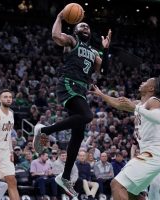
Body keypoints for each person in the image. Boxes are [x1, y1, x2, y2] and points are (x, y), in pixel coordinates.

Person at [33, 7, 112, 198]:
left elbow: (104, 72)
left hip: (81, 90)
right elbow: (55, 35)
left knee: (78, 136)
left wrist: (106, 48)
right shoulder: (72, 41)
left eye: (88, 27)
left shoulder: (94, 52)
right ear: (75, 30)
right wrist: (60, 16)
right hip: (68, 83)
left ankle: (65, 176)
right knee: (87, 116)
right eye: (82, 25)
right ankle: (44, 131)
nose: (86, 28)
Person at [90, 77, 160, 200]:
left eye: (146, 82)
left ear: (151, 88)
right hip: (154, 155)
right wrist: (101, 94)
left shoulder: (153, 101)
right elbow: (118, 103)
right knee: (131, 194)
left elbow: (158, 117)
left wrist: (135, 108)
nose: (142, 82)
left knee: (116, 184)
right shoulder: (140, 104)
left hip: (154, 153)